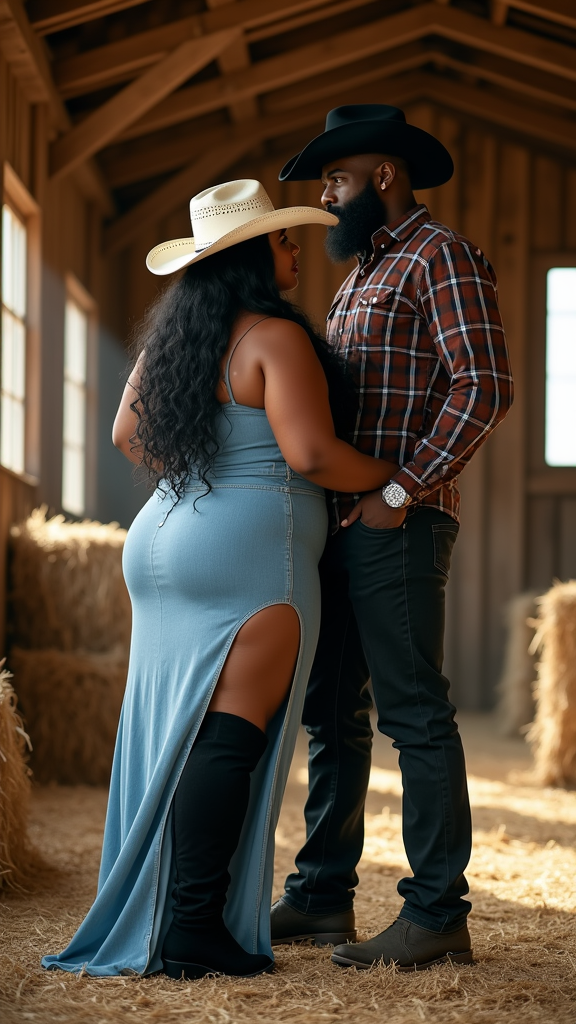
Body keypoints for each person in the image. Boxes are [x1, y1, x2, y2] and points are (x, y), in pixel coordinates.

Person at [41, 179, 399, 981]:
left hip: (163, 537)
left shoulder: (176, 341)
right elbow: (310, 455)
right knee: (230, 737)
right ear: (249, 256)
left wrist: (205, 474)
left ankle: (172, 915)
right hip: (249, 550)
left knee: (182, 726)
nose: (296, 248)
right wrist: (395, 472)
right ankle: (193, 927)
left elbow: (127, 434)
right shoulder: (275, 337)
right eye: (280, 239)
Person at [271, 105, 514, 970]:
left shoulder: (439, 255)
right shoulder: (356, 278)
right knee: (333, 716)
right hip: (341, 524)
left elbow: (483, 384)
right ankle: (322, 895)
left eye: (335, 180)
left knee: (415, 714)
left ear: (382, 176)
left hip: (401, 522)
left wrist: (402, 490)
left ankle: (438, 912)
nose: (326, 196)